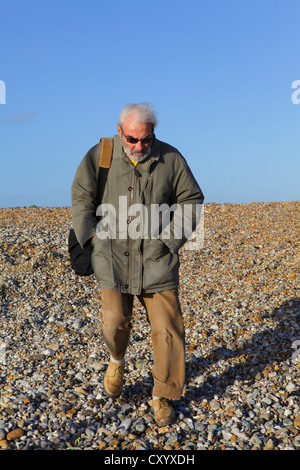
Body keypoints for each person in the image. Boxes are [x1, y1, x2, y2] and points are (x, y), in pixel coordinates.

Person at [71, 103, 204, 427]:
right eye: (133, 139)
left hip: (157, 261)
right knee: (114, 322)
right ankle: (116, 360)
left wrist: (168, 241)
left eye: (147, 139)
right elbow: (81, 196)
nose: (140, 146)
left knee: (169, 332)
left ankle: (163, 395)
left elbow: (192, 199)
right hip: (112, 259)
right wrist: (90, 238)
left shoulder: (171, 158)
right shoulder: (99, 155)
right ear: (120, 132)